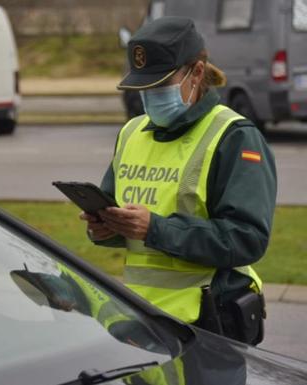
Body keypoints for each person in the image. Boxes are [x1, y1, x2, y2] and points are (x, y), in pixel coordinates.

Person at [80, 16, 276, 346]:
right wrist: (105, 228)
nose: (149, 96)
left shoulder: (234, 137)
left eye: (159, 86)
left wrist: (154, 229)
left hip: (209, 326)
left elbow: (248, 239)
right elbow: (126, 220)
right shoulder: (131, 133)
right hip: (142, 320)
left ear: (197, 73)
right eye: (143, 88)